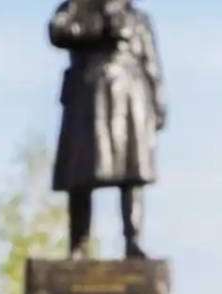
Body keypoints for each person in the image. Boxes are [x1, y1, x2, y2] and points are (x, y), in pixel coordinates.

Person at [49, 0, 166, 259]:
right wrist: (97, 28)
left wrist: (158, 103)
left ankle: (132, 241)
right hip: (89, 95)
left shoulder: (138, 18)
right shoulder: (77, 7)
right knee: (79, 175)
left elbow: (151, 64)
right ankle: (78, 244)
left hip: (130, 97)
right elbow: (57, 32)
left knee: (133, 172)